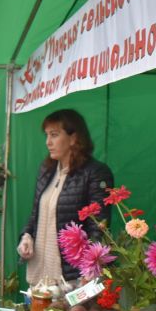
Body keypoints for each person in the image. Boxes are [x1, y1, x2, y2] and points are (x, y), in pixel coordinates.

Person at [17, 109, 114, 286]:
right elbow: (35, 215)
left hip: (72, 280)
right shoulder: (46, 170)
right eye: (46, 135)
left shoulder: (96, 173)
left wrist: (88, 272)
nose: (48, 142)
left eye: (54, 135)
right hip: (38, 277)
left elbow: (99, 228)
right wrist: (26, 236)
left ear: (74, 138)